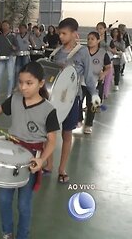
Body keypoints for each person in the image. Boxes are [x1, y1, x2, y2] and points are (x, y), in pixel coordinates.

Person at [0, 62, 59, 239]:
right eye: (20, 82)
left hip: (30, 161)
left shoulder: (48, 110)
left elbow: (52, 141)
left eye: (29, 83)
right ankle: (7, 233)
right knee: (4, 199)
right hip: (10, 157)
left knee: (24, 204)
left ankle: (22, 236)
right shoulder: (15, 99)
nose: (23, 87)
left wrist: (42, 160)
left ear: (41, 83)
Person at [43, 18, 101, 183]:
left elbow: (89, 77)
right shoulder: (57, 52)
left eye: (64, 33)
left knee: (67, 134)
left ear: (74, 34)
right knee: (49, 133)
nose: (60, 36)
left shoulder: (82, 52)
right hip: (53, 101)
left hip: (72, 100)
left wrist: (94, 94)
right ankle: (49, 164)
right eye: (60, 33)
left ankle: (62, 169)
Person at [79, 32, 111, 134]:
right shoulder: (82, 52)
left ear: (98, 40)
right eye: (88, 39)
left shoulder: (103, 53)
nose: (89, 41)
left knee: (91, 104)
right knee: (78, 102)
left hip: (94, 83)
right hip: (81, 82)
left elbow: (108, 67)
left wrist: (104, 74)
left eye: (92, 39)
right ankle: (79, 119)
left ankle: (88, 125)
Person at [0, 20, 18, 100]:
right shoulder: (0, 37)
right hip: (1, 58)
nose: (4, 27)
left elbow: (17, 48)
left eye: (6, 25)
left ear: (9, 26)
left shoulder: (12, 37)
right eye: (3, 25)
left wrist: (14, 48)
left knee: (10, 76)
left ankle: (9, 94)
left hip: (10, 58)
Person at [96, 22, 113, 98]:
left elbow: (113, 49)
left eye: (101, 28)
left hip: (106, 60)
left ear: (105, 29)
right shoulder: (96, 37)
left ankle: (102, 95)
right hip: (97, 59)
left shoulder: (109, 38)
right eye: (97, 28)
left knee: (105, 78)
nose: (99, 30)